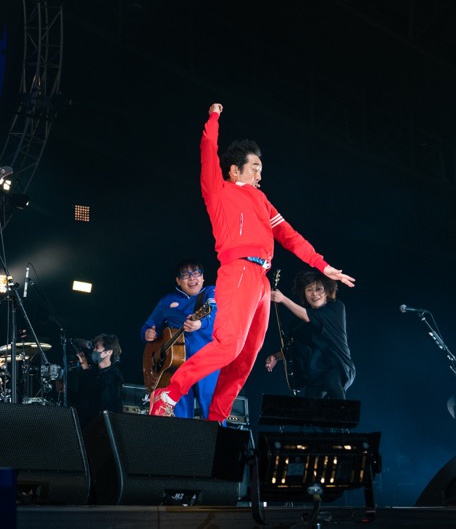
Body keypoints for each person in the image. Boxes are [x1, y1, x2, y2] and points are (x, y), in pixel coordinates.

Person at [150, 103, 355, 420]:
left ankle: (216, 419)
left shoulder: (262, 201)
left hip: (261, 280)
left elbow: (289, 236)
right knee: (228, 345)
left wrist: (323, 266)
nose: (260, 174)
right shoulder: (219, 190)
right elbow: (208, 149)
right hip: (239, 270)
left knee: (246, 357)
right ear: (235, 170)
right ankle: (169, 393)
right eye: (255, 167)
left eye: (261, 168)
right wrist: (214, 118)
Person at [141, 258, 219, 419]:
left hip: (207, 360)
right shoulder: (167, 301)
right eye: (186, 275)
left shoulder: (211, 292)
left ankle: (218, 437)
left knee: (211, 407)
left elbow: (216, 314)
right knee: (180, 412)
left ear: (203, 277)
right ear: (178, 280)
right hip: (176, 364)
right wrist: (147, 333)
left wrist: (201, 323)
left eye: (196, 273)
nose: (192, 278)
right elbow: (149, 325)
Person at [264, 269, 355, 399]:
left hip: (337, 366)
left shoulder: (336, 308)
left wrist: (283, 299)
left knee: (331, 381)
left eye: (319, 289)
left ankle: (343, 411)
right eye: (309, 290)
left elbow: (307, 316)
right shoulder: (299, 322)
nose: (314, 294)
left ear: (327, 291)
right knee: (310, 400)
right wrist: (276, 356)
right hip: (315, 372)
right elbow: (296, 347)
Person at [70, 333, 125, 427]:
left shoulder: (114, 376)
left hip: (102, 426)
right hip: (85, 423)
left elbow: (96, 394)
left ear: (109, 352)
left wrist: (85, 368)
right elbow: (81, 396)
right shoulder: (94, 372)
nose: (94, 350)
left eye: (97, 347)